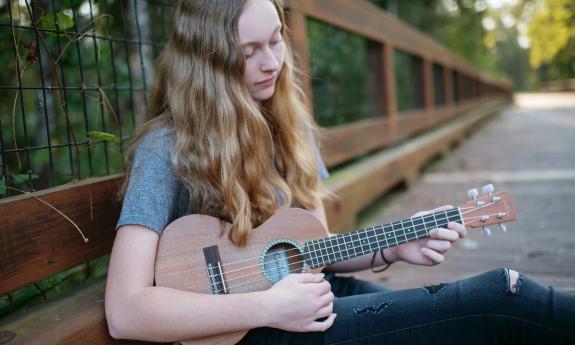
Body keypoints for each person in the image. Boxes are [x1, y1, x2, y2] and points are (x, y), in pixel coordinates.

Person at [104, 0, 575, 344]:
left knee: (462, 320)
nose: (272, 63)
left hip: (306, 298)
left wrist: (392, 247)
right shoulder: (165, 148)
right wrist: (267, 306)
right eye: (248, 52)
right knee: (497, 298)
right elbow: (125, 311)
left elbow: (316, 251)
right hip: (245, 330)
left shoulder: (287, 123)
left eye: (275, 41)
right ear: (208, 62)